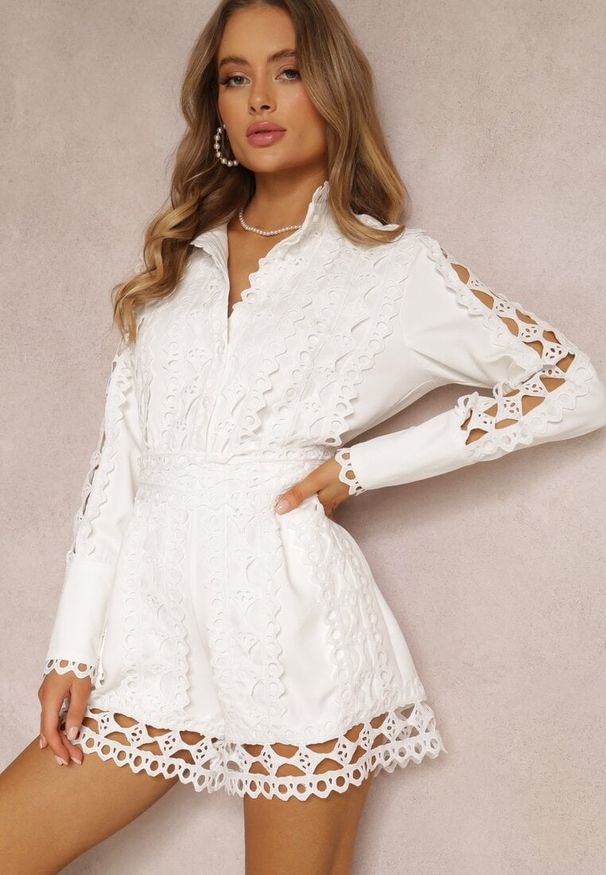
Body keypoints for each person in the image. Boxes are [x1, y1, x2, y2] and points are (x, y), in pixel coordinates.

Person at [2, 1, 606, 872]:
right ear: (215, 106)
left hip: (294, 635)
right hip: (151, 636)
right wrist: (72, 647)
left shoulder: (389, 267)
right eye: (235, 78)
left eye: (286, 72)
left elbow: (570, 384)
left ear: (330, 88)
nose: (259, 99)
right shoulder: (175, 269)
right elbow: (117, 474)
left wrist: (358, 467)